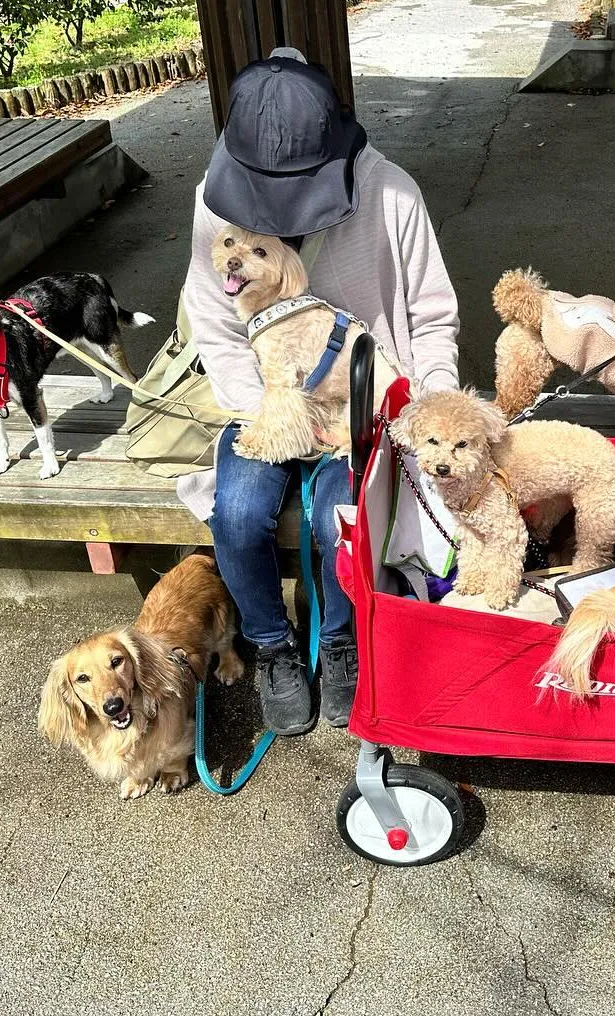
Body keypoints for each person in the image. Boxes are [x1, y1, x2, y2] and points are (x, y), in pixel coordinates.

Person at [177, 50, 460, 735]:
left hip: (363, 405)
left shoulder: (391, 191)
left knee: (341, 510)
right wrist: (271, 415)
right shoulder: (212, 203)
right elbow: (212, 326)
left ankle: (339, 643)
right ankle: (271, 647)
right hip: (266, 398)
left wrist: (429, 410)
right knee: (239, 510)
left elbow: (431, 316)